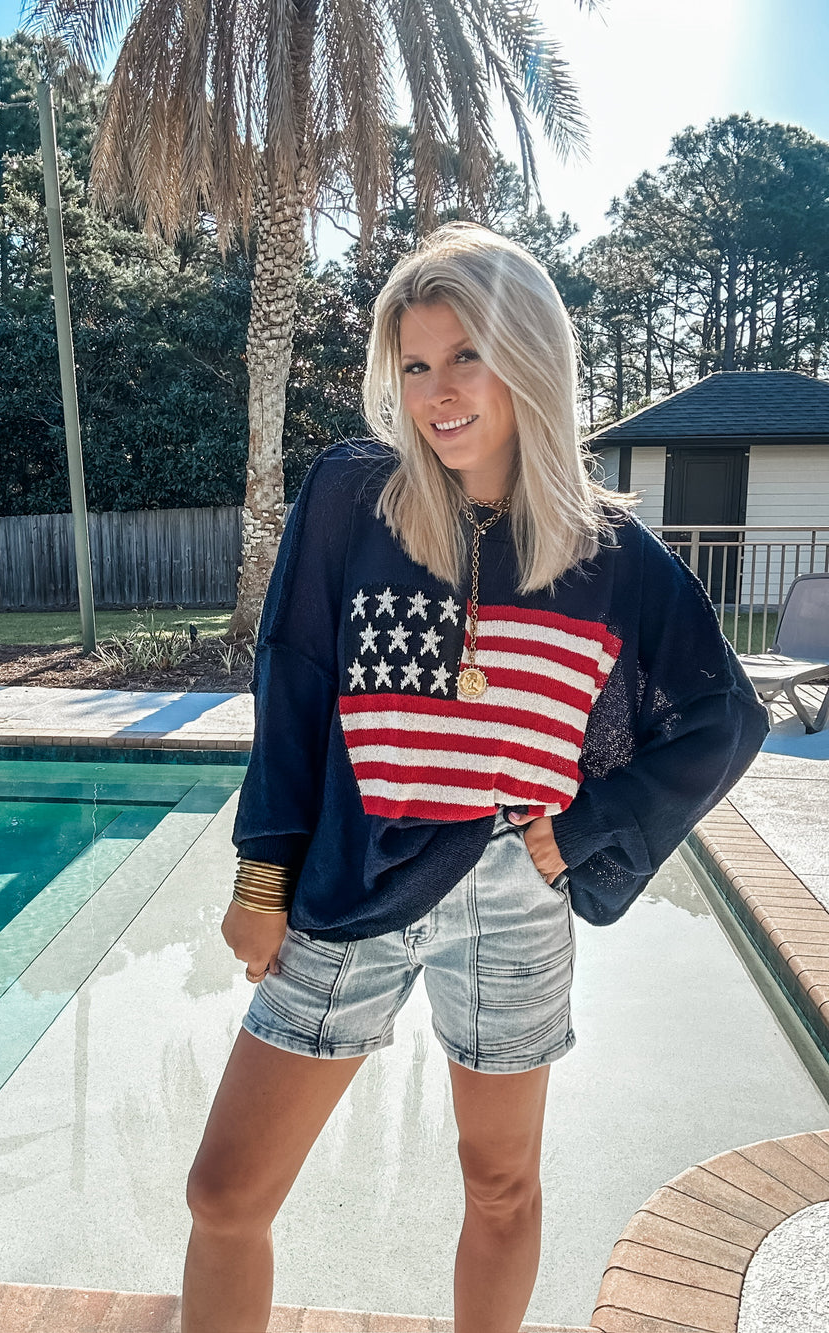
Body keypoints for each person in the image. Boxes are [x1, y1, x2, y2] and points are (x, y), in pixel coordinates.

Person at [180, 223, 768, 1333]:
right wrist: (263, 876)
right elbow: (293, 680)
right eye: (414, 364)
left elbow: (724, 715)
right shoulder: (352, 497)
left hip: (512, 895)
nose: (437, 393)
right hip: (352, 874)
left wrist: (587, 827)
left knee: (500, 1186)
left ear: (529, 358)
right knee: (224, 1194)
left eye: (466, 356)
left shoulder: (609, 552)